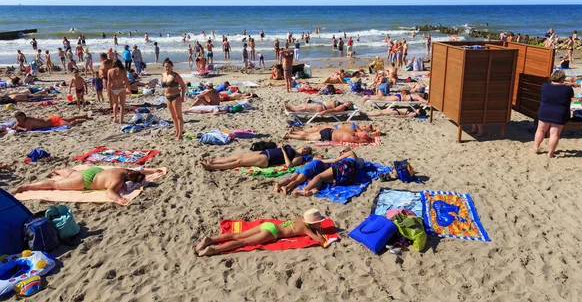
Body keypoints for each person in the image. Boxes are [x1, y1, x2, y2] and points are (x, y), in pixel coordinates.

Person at [194, 208, 328, 257]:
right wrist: (319, 232)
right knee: (242, 242)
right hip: (272, 232)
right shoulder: (305, 228)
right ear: (313, 223)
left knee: (237, 235)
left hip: (268, 225)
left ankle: (210, 239)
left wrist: (314, 226)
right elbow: (322, 241)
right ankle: (214, 250)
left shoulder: (299, 219)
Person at [12, 165, 162, 206]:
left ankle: (56, 170)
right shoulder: (119, 181)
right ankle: (27, 186)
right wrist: (119, 200)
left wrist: (154, 170)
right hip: (88, 180)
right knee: (55, 185)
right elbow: (109, 192)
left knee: (71, 174)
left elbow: (141, 170)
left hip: (95, 171)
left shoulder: (127, 170)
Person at [531, 70, 574, 158]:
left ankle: (536, 147)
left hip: (545, 110)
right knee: (554, 134)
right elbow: (571, 96)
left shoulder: (545, 86)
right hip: (560, 112)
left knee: (541, 130)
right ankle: (550, 153)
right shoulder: (568, 89)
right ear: (562, 79)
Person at [292, 148, 359, 196]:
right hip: (347, 179)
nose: (341, 153)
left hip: (344, 167)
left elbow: (335, 160)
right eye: (340, 152)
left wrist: (320, 160)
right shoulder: (354, 160)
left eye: (343, 151)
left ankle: (305, 189)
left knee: (319, 177)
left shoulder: (351, 153)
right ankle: (313, 191)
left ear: (348, 151)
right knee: (322, 180)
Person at [200, 143, 312, 171]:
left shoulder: (298, 157)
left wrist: (283, 150)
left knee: (239, 162)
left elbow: (289, 165)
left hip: (267, 160)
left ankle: (212, 167)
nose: (305, 149)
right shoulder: (290, 147)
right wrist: (280, 147)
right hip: (265, 152)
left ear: (306, 154)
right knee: (238, 155)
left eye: (307, 151)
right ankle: (214, 160)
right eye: (306, 147)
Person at [161, 59, 186, 140]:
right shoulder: (163, 75)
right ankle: (176, 132)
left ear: (171, 67)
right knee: (173, 116)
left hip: (176, 96)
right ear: (163, 67)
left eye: (169, 66)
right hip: (168, 97)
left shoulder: (175, 75)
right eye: (166, 66)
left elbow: (183, 86)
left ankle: (180, 134)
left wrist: (182, 97)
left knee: (178, 116)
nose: (167, 68)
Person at [12, 111, 91, 131]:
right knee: (68, 119)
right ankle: (84, 116)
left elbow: (27, 130)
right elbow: (14, 126)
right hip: (50, 120)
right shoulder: (21, 121)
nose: (17, 120)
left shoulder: (28, 121)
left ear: (23, 117)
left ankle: (78, 121)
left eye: (18, 119)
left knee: (69, 124)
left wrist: (19, 128)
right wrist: (16, 126)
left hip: (52, 121)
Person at [107, 59, 131, 124]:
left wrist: (108, 91)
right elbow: (126, 81)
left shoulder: (110, 71)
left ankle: (115, 118)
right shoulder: (123, 71)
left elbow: (109, 83)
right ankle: (121, 120)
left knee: (115, 104)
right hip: (121, 89)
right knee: (122, 105)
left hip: (113, 89)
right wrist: (129, 89)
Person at [284, 127, 373, 143]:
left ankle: (294, 132)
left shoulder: (351, 131)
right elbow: (362, 141)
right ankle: (289, 136)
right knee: (307, 137)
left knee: (309, 134)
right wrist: (367, 139)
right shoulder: (353, 138)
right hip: (328, 136)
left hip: (329, 131)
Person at [284, 100, 354, 115]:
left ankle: (292, 110)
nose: (347, 102)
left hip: (322, 108)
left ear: (348, 106)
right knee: (304, 105)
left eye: (348, 103)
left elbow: (334, 110)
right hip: (321, 104)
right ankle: (291, 107)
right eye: (348, 101)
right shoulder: (342, 104)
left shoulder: (342, 107)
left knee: (305, 108)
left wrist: (324, 112)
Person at [363, 89, 429, 104]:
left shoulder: (415, 94)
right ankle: (368, 97)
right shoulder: (417, 96)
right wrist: (428, 102)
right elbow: (424, 101)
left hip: (399, 96)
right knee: (383, 98)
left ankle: (369, 96)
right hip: (399, 98)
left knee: (383, 98)